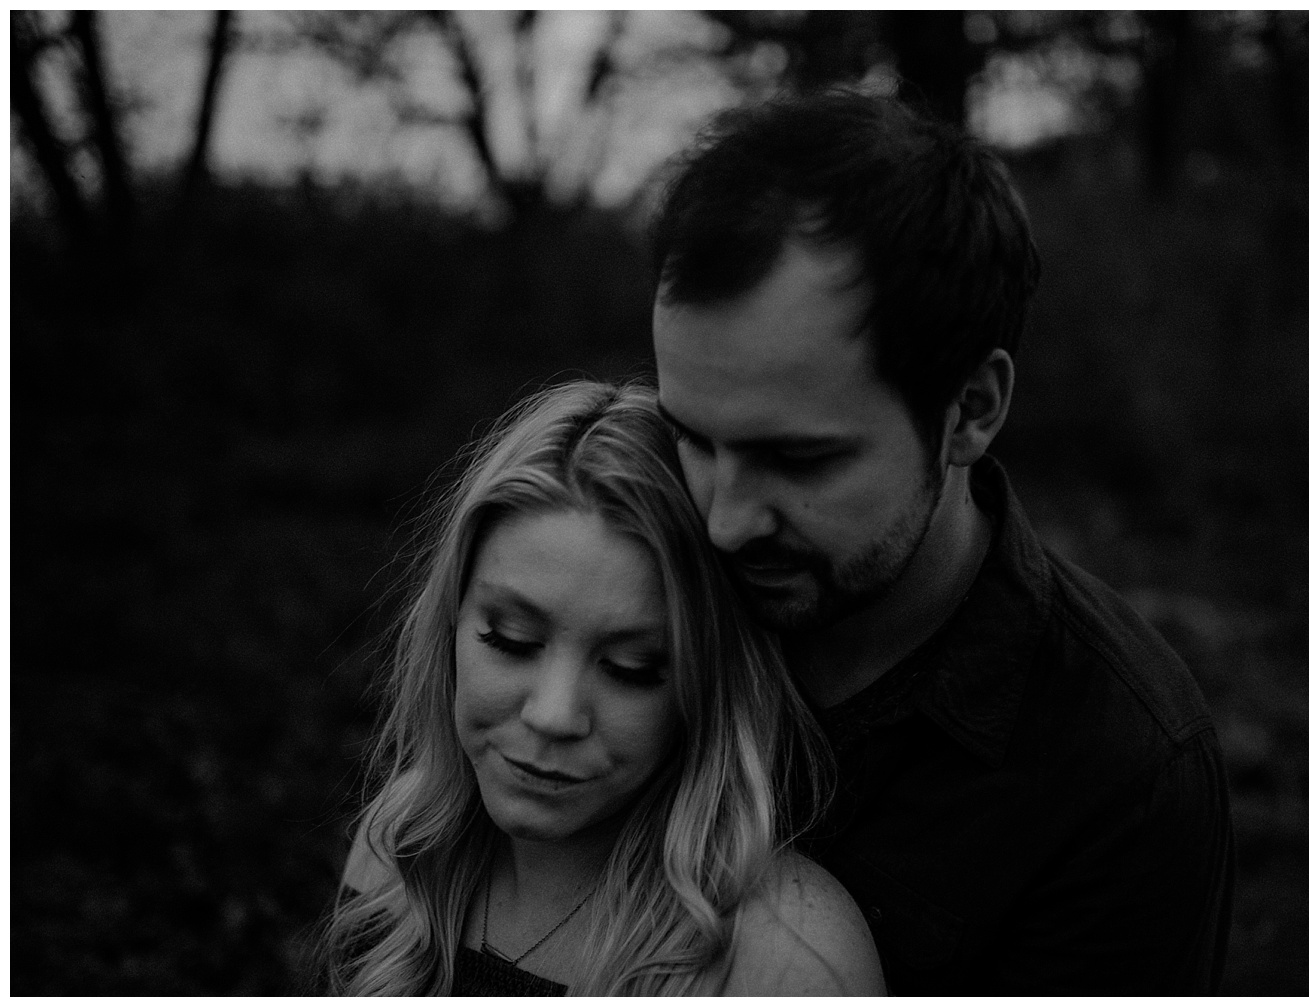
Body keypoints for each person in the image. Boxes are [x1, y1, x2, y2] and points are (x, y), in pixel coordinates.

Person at [651, 90, 1234, 994]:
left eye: (797, 458)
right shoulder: (627, 590)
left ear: (971, 410)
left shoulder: (1120, 772)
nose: (724, 518)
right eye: (691, 436)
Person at [321, 380, 885, 996]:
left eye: (631, 668)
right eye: (511, 640)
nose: (554, 716)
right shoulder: (403, 846)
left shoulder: (785, 955)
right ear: (451, 624)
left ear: (709, 688)